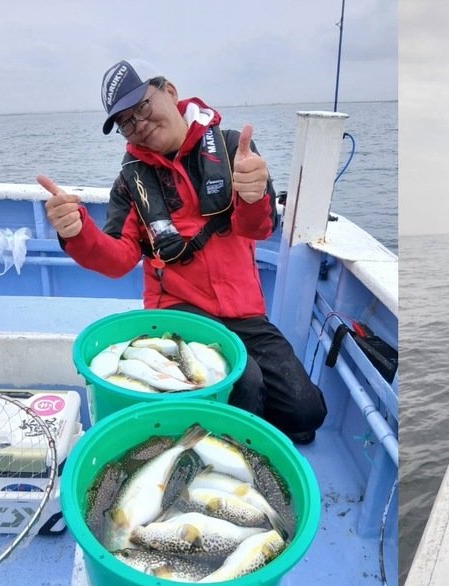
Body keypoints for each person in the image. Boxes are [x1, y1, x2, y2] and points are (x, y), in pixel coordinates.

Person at [37, 60, 327, 445]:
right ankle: (222, 437)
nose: (138, 124)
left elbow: (258, 228)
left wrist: (255, 195)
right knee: (245, 384)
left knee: (306, 412)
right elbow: (118, 258)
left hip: (244, 310)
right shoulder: (130, 182)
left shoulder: (232, 148)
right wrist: (76, 233)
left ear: (170, 91)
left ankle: (218, 418)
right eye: (125, 122)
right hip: (178, 310)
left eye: (142, 107)